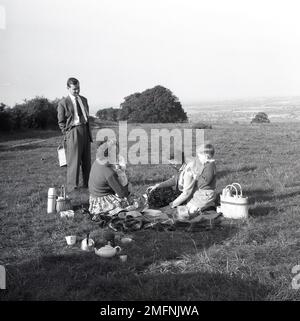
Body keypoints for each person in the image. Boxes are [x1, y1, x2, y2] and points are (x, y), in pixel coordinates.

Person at [57, 77, 93, 192]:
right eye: (74, 89)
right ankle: (73, 187)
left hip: (85, 130)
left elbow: (86, 116)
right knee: (74, 161)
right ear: (68, 88)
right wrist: (68, 134)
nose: (77, 91)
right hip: (73, 132)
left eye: (78, 88)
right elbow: (61, 122)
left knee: (87, 160)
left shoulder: (84, 99)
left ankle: (88, 184)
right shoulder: (63, 103)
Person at [171, 143, 217, 217]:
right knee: (187, 207)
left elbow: (204, 183)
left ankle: (209, 205)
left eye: (199, 156)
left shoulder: (210, 167)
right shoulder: (206, 165)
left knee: (191, 212)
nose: (198, 158)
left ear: (206, 156)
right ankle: (207, 205)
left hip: (206, 194)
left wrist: (196, 176)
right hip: (201, 192)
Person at [88, 139, 130, 218]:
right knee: (126, 202)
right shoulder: (109, 172)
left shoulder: (97, 162)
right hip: (102, 202)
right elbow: (122, 193)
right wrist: (126, 183)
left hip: (94, 199)